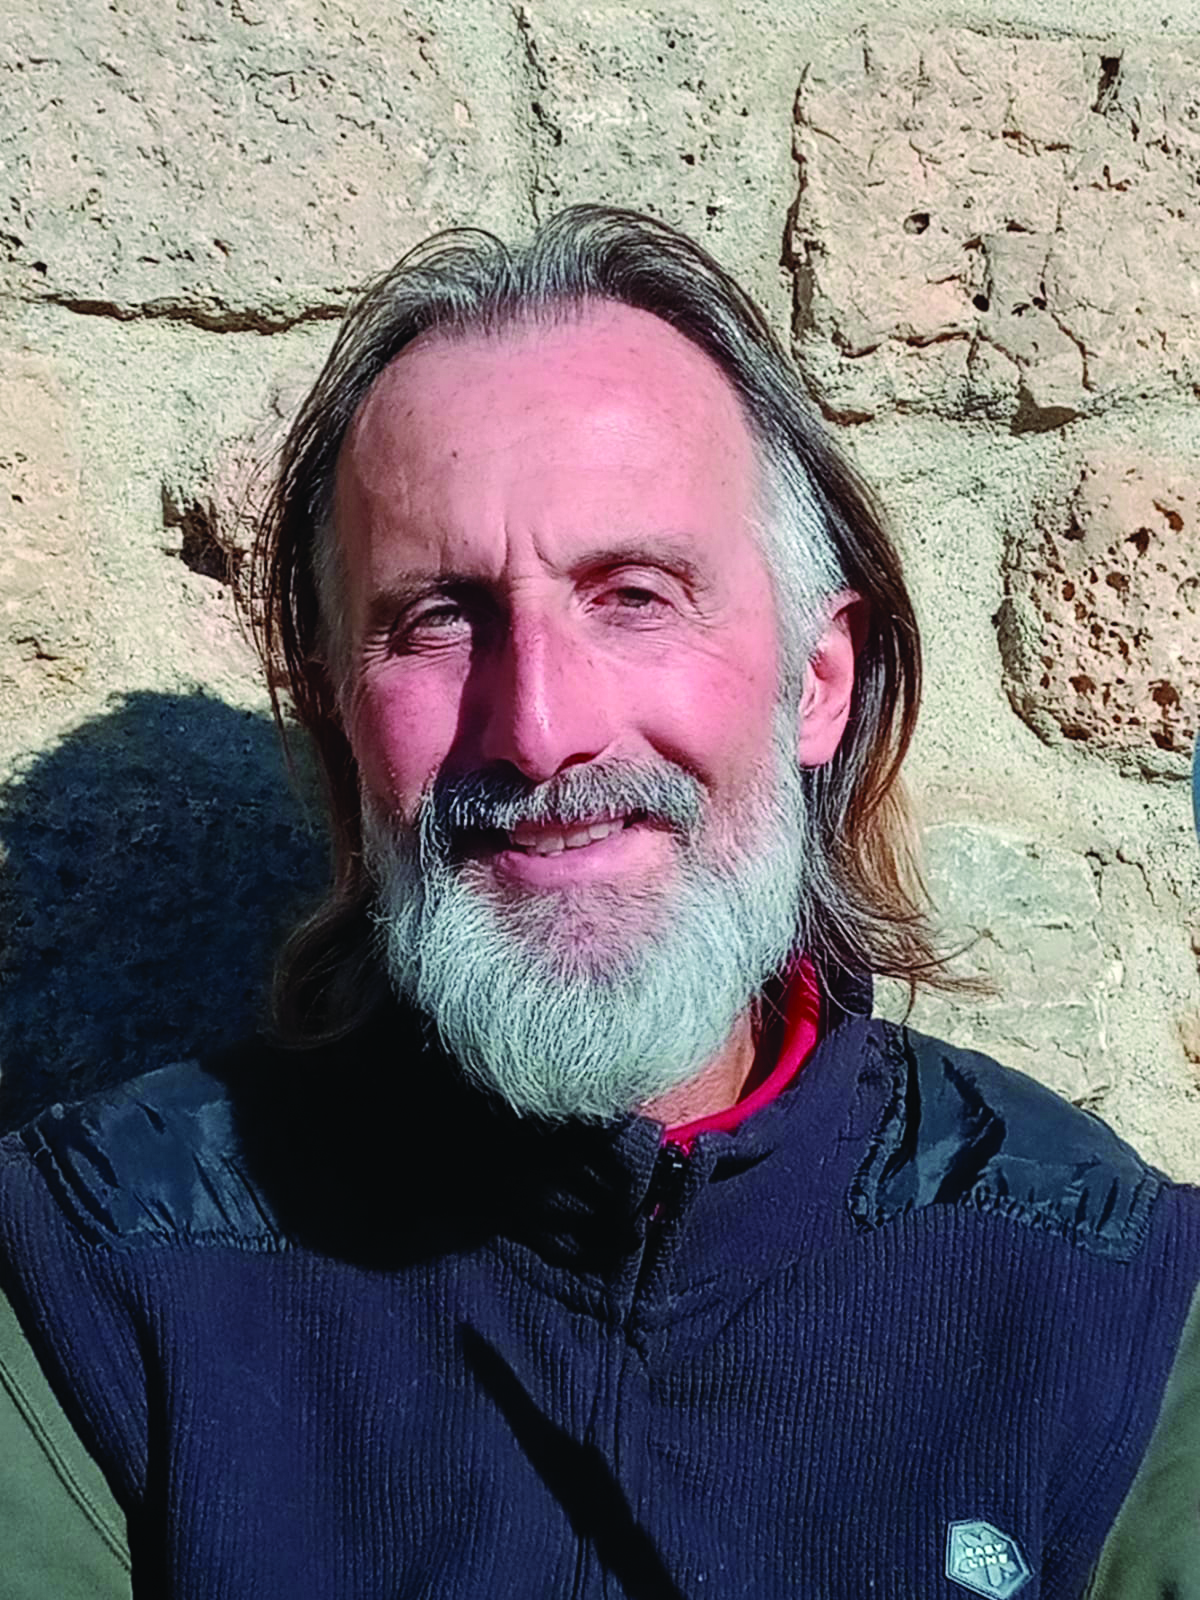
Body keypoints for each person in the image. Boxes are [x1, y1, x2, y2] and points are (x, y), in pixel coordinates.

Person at [0, 205, 1196, 1598]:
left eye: (634, 595)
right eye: (439, 618)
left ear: (816, 681)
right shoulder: (93, 1289)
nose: (542, 729)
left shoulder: (1106, 1315)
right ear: (339, 715)